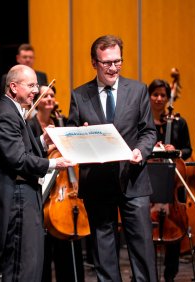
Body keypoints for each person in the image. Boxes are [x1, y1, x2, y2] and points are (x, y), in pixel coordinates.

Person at [67, 35, 157, 281]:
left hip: (133, 179)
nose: (113, 67)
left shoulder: (138, 90)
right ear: (94, 62)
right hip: (97, 181)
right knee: (103, 251)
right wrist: (81, 135)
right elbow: (70, 136)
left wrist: (141, 150)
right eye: (106, 62)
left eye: (117, 61)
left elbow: (148, 131)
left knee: (143, 251)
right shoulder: (79, 95)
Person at [0, 64, 72, 282]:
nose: (37, 91)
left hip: (23, 195)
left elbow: (21, 149)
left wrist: (43, 141)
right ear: (13, 87)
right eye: (31, 85)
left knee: (31, 264)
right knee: (22, 266)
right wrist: (53, 164)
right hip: (17, 198)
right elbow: (17, 159)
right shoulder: (5, 113)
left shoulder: (13, 112)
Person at [26, 85, 85, 282]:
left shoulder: (63, 122)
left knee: (67, 246)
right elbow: (29, 153)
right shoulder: (31, 125)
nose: (50, 98)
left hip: (64, 188)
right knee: (43, 246)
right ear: (38, 100)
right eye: (45, 95)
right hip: (42, 186)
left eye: (52, 94)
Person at [148, 79, 192, 282]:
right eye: (155, 94)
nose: (159, 98)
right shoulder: (143, 122)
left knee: (175, 232)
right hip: (150, 183)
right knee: (145, 233)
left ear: (167, 98)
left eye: (163, 95)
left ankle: (170, 275)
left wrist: (175, 151)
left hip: (173, 179)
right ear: (149, 96)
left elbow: (188, 149)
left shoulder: (178, 123)